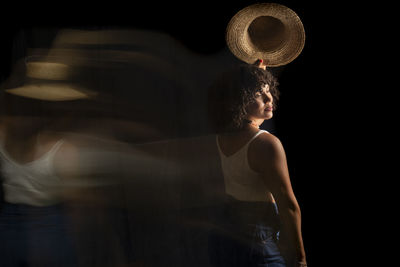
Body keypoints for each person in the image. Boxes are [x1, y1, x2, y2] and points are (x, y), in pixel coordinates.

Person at [207, 61, 307, 267]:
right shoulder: (265, 143)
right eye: (258, 94)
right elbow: (289, 207)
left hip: (232, 233)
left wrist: (254, 78)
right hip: (258, 239)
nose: (269, 98)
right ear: (239, 100)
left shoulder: (223, 136)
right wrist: (300, 259)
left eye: (268, 90)